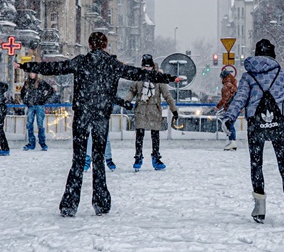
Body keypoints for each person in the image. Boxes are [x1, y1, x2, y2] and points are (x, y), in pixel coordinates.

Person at [20, 32, 179, 217]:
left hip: (82, 114)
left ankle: (70, 204)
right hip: (101, 115)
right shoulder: (112, 64)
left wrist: (27, 65)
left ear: (89, 45)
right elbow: (138, 73)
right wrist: (166, 78)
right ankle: (101, 202)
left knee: (78, 160)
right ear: (105, 46)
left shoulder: (81, 62)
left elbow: (56, 67)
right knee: (98, 159)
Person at [221, 39, 284, 226]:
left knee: (256, 164)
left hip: (255, 124)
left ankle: (259, 208)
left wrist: (230, 117)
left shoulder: (248, 76)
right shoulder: (281, 74)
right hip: (277, 124)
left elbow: (239, 99)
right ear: (272, 54)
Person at [125, 54, 180, 171]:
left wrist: (174, 110)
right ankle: (138, 156)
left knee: (155, 135)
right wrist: (127, 101)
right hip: (141, 109)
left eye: (148, 67)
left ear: (152, 66)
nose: (146, 69)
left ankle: (156, 157)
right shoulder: (138, 77)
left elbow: (167, 95)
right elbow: (132, 91)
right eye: (144, 67)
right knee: (139, 134)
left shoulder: (158, 78)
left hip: (154, 109)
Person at [21, 71, 54, 151]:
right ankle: (32, 143)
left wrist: (43, 99)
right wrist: (26, 101)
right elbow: (22, 93)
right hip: (31, 105)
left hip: (39, 105)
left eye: (33, 73)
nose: (32, 75)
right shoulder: (27, 83)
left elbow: (51, 90)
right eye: (30, 73)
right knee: (29, 124)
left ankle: (42, 143)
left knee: (40, 125)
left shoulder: (41, 82)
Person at [216, 66, 239, 150]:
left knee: (228, 124)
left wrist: (218, 106)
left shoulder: (227, 85)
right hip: (236, 107)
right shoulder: (233, 84)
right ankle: (232, 142)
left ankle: (232, 142)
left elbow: (225, 98)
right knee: (229, 124)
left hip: (230, 108)